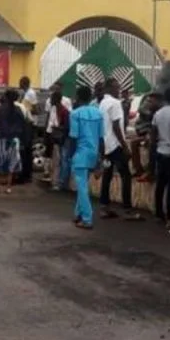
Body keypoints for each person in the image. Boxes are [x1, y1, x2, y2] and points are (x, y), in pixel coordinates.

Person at [98, 78, 142, 221]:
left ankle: (104, 207)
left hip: (106, 146)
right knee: (126, 176)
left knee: (107, 175)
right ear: (109, 88)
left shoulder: (103, 103)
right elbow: (116, 126)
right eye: (117, 87)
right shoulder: (115, 103)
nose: (119, 90)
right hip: (116, 146)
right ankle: (127, 210)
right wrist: (125, 146)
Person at [69, 86, 103, 229]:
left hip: (81, 153)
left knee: (82, 187)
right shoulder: (98, 113)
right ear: (90, 97)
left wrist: (71, 155)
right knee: (83, 185)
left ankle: (87, 219)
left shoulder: (75, 114)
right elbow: (101, 138)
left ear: (78, 97)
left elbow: (73, 137)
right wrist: (100, 158)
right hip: (93, 152)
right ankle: (78, 214)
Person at [150, 87, 170, 222]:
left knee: (160, 184)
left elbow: (153, 135)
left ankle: (158, 213)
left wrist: (153, 153)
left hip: (161, 151)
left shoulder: (158, 114)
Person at [0, 89, 27, 194]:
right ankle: (8, 187)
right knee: (11, 164)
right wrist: (22, 140)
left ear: (5, 97)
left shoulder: (0, 109)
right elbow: (23, 125)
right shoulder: (18, 110)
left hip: (0, 139)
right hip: (14, 140)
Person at [46, 91, 72, 190]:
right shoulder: (56, 109)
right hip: (61, 138)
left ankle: (62, 183)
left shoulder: (64, 111)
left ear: (56, 99)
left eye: (52, 99)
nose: (50, 101)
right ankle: (62, 182)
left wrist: (56, 128)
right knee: (62, 160)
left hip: (65, 138)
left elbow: (67, 127)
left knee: (64, 160)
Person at [133, 93, 162, 182]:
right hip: (148, 133)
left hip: (157, 136)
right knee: (133, 143)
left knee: (150, 143)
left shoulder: (160, 112)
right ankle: (138, 170)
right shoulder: (148, 109)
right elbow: (141, 110)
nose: (148, 103)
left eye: (151, 101)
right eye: (148, 101)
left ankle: (150, 172)